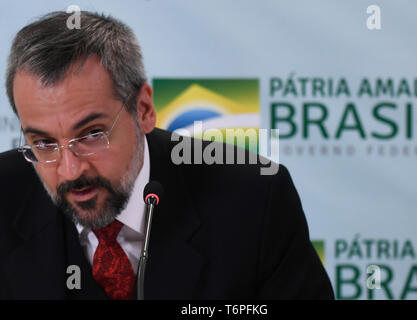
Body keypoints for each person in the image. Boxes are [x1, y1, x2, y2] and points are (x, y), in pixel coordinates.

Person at [0, 11, 333, 300]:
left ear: (143, 109)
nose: (70, 170)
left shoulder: (255, 199)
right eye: (43, 143)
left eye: (92, 135)